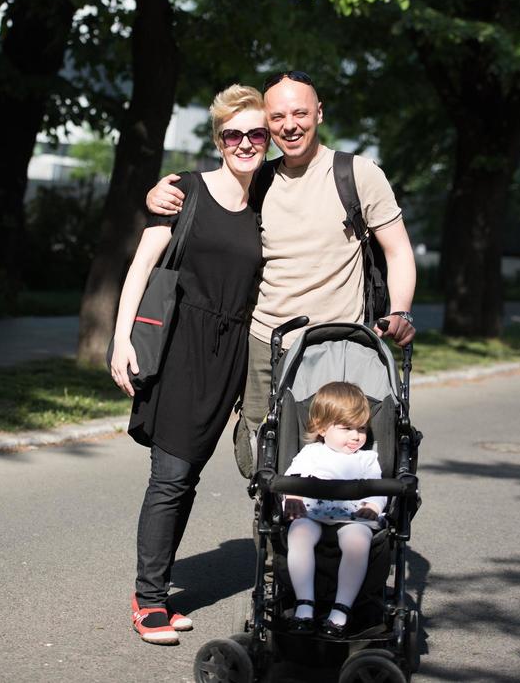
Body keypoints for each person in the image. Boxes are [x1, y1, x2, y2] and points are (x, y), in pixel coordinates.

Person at [146, 71, 416, 441]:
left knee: (335, 455)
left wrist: (399, 311)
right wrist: (160, 195)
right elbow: (211, 195)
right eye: (277, 117)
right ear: (267, 124)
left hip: (337, 346)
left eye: (300, 114)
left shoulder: (357, 174)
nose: (290, 126)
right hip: (263, 344)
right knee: (262, 457)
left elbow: (398, 249)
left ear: (319, 113)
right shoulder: (258, 179)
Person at [109, 84, 268, 645]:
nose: (245, 143)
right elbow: (142, 265)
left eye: (256, 133)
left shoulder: (268, 198)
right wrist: (121, 338)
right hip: (181, 344)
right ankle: (149, 600)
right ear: (218, 139)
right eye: (234, 134)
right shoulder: (185, 191)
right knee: (170, 474)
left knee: (189, 474)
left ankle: (155, 590)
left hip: (232, 350)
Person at [282, 381, 386, 639]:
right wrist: (292, 496)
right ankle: (304, 604)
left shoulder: (366, 458)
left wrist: (373, 504)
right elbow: (291, 478)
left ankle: (341, 608)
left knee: (358, 542)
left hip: (353, 516)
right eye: (347, 429)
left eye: (361, 428)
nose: (356, 436)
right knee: (299, 534)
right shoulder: (311, 453)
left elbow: (379, 488)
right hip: (312, 513)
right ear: (321, 428)